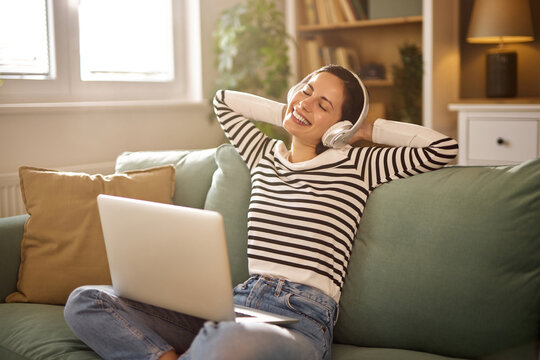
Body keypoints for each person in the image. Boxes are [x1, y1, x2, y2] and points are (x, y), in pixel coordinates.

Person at [64, 64, 458, 360]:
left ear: (341, 125)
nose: (305, 102)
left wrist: (363, 131)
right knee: (86, 300)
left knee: (227, 340)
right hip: (235, 305)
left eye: (323, 104)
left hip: (301, 319)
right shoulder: (262, 156)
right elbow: (223, 100)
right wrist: (297, 110)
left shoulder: (358, 164)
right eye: (304, 90)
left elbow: (442, 149)